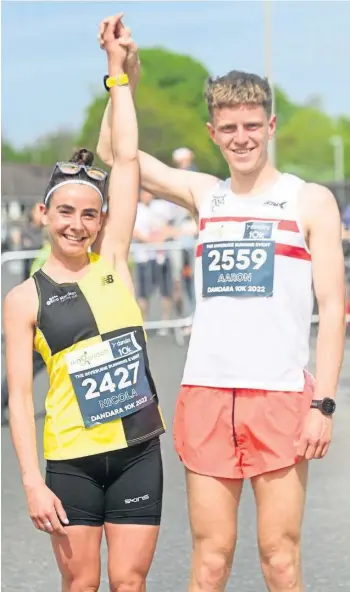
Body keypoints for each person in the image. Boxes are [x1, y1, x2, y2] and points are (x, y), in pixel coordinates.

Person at [97, 18, 346, 592]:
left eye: (252, 125)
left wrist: (324, 405)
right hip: (207, 392)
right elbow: (116, 150)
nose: (241, 137)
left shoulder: (309, 201)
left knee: (279, 559)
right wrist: (123, 74)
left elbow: (333, 308)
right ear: (213, 132)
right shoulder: (204, 194)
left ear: (271, 125)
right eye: (229, 127)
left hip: (282, 395)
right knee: (211, 560)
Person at [4, 16, 165, 592]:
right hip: (70, 461)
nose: (77, 224)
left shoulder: (113, 264)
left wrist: (116, 74)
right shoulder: (24, 298)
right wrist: (30, 483)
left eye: (89, 214)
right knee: (83, 586)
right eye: (65, 212)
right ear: (43, 215)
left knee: (129, 582)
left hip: (137, 452)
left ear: (102, 222)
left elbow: (124, 160)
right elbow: (21, 400)